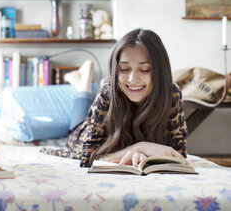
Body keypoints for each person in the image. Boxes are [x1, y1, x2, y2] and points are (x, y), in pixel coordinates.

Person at [41, 28, 188, 168]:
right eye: (124, 69)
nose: (132, 79)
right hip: (81, 132)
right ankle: (83, 82)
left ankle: (82, 82)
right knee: (77, 124)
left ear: (159, 72)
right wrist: (141, 147)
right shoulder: (108, 90)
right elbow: (87, 158)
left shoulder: (171, 94)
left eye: (144, 70)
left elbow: (178, 154)